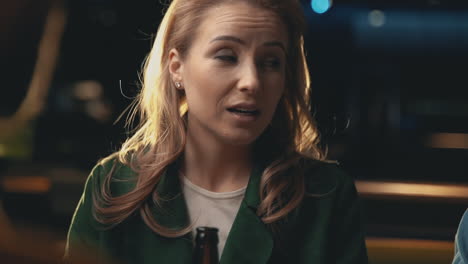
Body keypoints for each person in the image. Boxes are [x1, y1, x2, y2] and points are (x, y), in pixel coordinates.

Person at [64, 0, 369, 263]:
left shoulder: (326, 196)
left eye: (271, 62)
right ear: (176, 67)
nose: (251, 81)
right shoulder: (114, 185)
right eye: (227, 56)